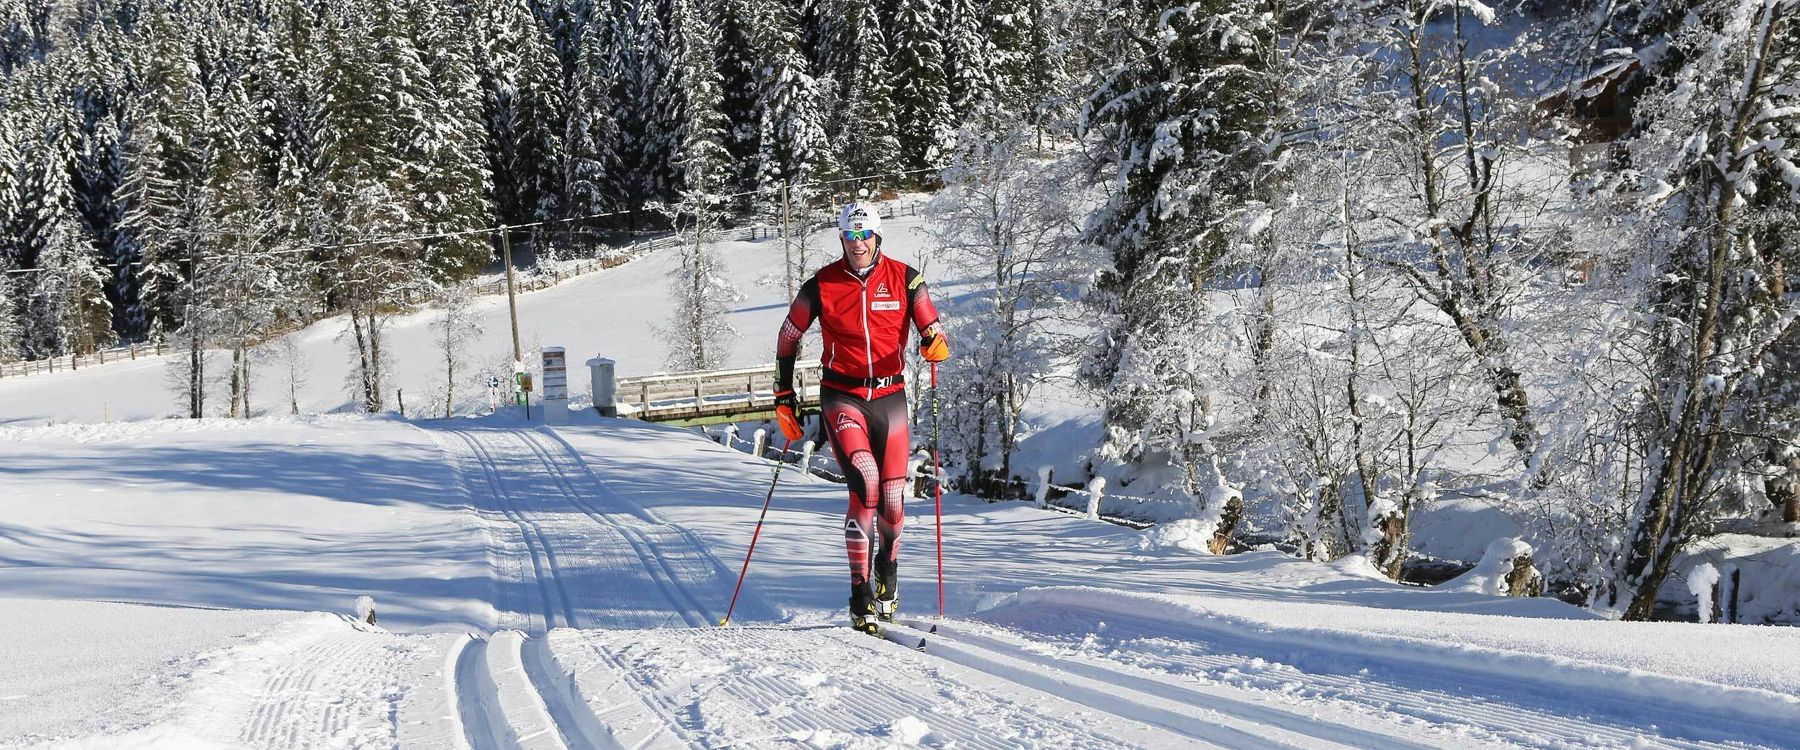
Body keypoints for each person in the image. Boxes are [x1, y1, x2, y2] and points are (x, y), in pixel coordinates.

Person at [772, 201, 949, 633]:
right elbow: (788, 335)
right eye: (850, 237)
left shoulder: (907, 279)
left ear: (878, 237)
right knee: (865, 482)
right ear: (841, 239)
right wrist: (784, 394)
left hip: (890, 398)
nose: (858, 244)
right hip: (842, 397)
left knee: (892, 499)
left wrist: (934, 342)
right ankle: (859, 592)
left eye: (865, 235)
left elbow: (931, 327)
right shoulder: (823, 284)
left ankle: (887, 572)